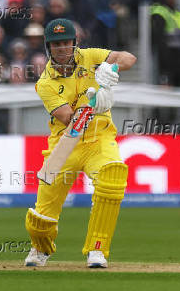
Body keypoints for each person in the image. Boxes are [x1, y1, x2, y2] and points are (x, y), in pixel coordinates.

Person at [24, 18, 136, 268]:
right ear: (48, 47)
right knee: (41, 215)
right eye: (56, 44)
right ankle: (40, 248)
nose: (62, 48)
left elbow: (129, 58)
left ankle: (97, 249)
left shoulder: (91, 56)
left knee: (112, 178)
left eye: (66, 43)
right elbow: (69, 119)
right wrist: (96, 102)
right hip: (66, 142)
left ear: (74, 43)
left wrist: (111, 70)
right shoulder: (45, 83)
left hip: (99, 139)